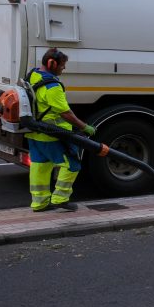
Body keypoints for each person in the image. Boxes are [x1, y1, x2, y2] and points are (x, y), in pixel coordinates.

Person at [26, 48, 95, 212]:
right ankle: (60, 199)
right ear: (52, 63)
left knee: (40, 166)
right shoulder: (52, 86)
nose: (63, 69)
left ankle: (39, 202)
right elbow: (65, 113)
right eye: (62, 65)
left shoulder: (33, 75)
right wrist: (85, 127)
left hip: (34, 132)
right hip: (52, 135)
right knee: (72, 165)